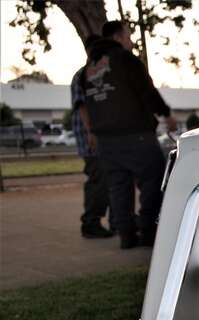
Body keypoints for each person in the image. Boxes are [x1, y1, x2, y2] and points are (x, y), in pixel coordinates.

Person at [81, 20, 177, 249]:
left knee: (118, 187)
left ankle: (126, 235)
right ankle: (148, 231)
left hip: (106, 140)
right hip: (136, 134)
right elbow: (146, 89)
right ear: (117, 37)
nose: (131, 42)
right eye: (128, 36)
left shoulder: (88, 70)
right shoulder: (125, 59)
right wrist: (165, 114)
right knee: (153, 180)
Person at [71, 34, 112, 239]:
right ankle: (90, 222)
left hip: (99, 135)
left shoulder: (100, 73)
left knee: (108, 178)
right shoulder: (83, 75)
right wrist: (91, 131)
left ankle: (115, 221)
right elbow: (81, 106)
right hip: (90, 137)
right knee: (98, 179)